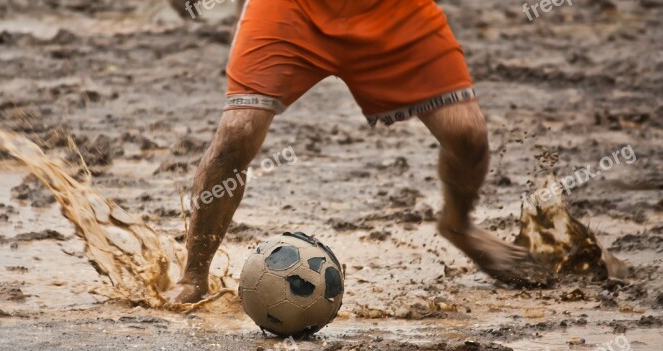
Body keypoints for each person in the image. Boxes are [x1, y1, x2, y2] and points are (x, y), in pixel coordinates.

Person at [168, 0, 550, 303]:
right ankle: (194, 275)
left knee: (467, 133)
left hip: (392, 9)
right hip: (290, 8)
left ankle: (459, 224)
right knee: (237, 131)